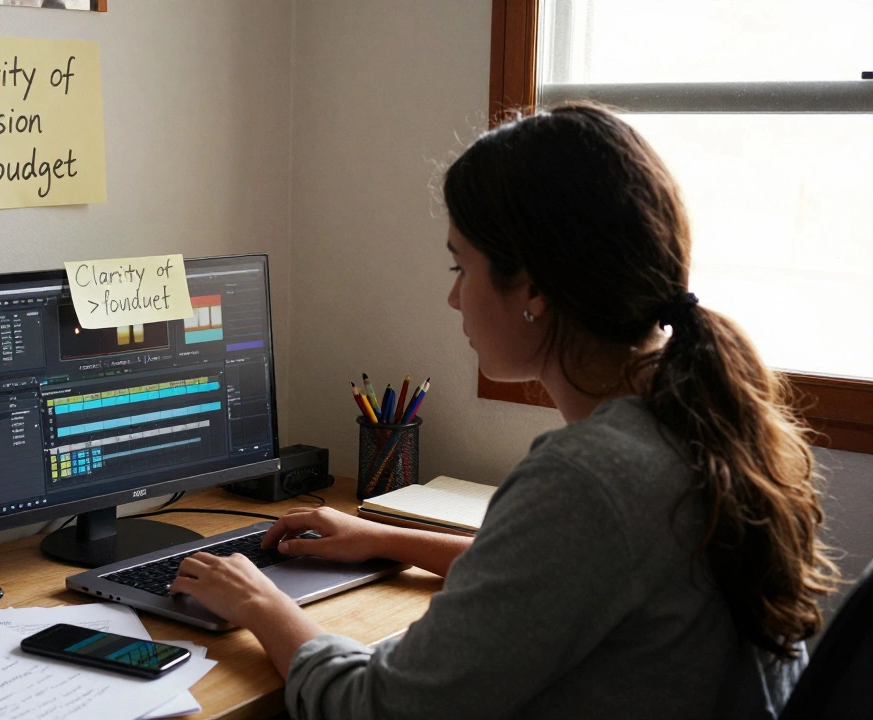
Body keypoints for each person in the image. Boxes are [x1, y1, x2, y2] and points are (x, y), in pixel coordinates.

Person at [168, 102, 840, 719]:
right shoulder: (690, 415)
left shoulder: (590, 477)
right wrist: (386, 539)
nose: (454, 300)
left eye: (460, 267)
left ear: (535, 288)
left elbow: (380, 708)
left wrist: (260, 602)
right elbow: (553, 585)